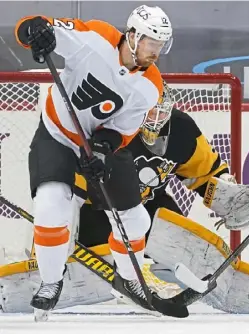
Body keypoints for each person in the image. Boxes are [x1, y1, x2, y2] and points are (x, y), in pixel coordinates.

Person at [0, 81, 249, 315]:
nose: (153, 117)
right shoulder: (108, 131)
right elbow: (69, 200)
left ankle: (187, 278)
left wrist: (229, 196)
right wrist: (46, 256)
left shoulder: (182, 129)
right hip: (99, 210)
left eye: (159, 110)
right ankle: (77, 274)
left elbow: (205, 174)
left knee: (171, 224)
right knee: (82, 244)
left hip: (147, 205)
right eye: (146, 110)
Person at [14, 5, 172, 319]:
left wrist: (102, 148)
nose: (155, 51)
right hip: (57, 133)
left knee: (135, 219)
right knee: (50, 205)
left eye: (160, 45)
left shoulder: (150, 86)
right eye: (151, 43)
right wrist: (34, 30)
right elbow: (42, 29)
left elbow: (123, 130)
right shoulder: (97, 37)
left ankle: (130, 280)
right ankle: (50, 282)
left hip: (96, 144)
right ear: (133, 35)